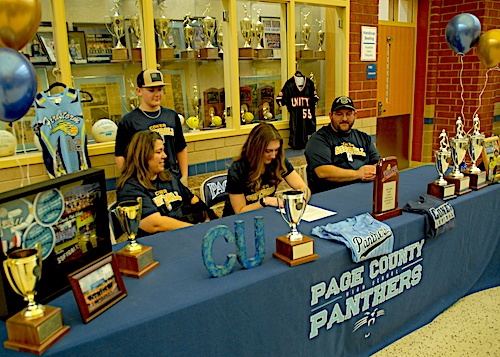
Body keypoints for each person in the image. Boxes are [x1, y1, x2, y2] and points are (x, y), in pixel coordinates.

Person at [116, 131, 213, 238]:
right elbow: (154, 224)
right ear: (144, 155)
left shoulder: (168, 177)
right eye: (159, 152)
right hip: (159, 241)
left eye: (164, 151)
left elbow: (193, 200)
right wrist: (194, 230)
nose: (165, 156)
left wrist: (208, 220)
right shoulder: (129, 188)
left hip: (185, 234)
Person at [115, 69, 188, 185]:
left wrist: (184, 176)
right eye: (151, 90)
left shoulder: (171, 116)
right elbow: (120, 155)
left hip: (172, 178)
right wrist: (130, 181)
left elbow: (181, 148)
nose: (157, 94)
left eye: (160, 89)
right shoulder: (128, 121)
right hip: (145, 182)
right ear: (139, 91)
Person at [223, 122, 310, 217]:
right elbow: (240, 211)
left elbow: (303, 188)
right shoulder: (237, 170)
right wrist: (264, 202)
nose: (273, 156)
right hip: (239, 220)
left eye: (276, 150)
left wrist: (302, 200)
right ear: (256, 149)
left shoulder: (278, 161)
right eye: (268, 151)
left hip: (265, 215)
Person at [305, 96, 380, 194]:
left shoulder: (364, 138)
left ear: (355, 115)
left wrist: (373, 171)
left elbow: (378, 162)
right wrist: (357, 174)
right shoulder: (319, 139)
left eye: (348, 114)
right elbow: (323, 171)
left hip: (364, 191)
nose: (344, 118)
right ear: (331, 115)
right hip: (331, 194)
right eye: (339, 114)